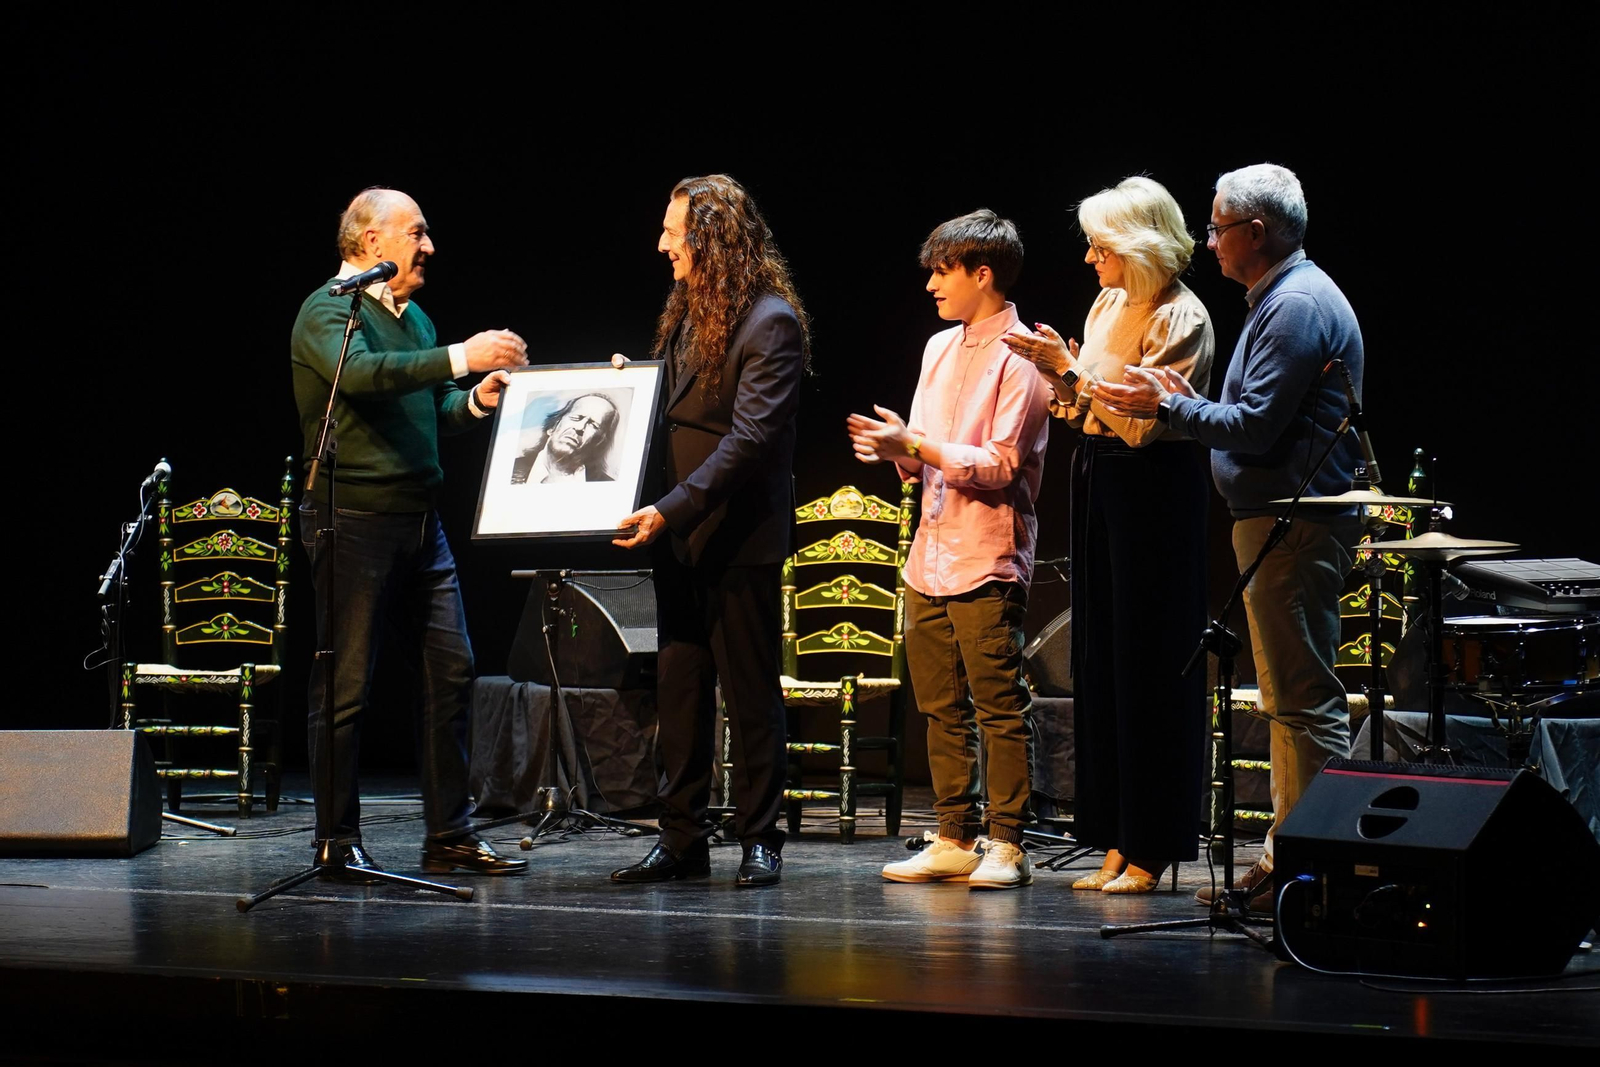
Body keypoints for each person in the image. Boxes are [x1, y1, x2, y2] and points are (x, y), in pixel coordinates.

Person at [1095, 164, 1364, 912]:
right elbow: (1247, 410)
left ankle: (1313, 866)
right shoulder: (1278, 299)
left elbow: (1255, 424)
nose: (1206, 241)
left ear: (1255, 231)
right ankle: (1291, 856)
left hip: (1297, 518)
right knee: (1287, 698)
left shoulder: (1296, 305)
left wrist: (1172, 407)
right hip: (1278, 517)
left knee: (1303, 701)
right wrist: (1185, 400)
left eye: (1216, 227)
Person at [290, 187, 531, 880]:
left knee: (451, 672)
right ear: (371, 243)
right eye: (417, 233)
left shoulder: (414, 317)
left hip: (421, 523)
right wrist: (463, 357)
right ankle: (336, 839)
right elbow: (364, 378)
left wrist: (473, 402)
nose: (429, 247)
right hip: (353, 520)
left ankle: (448, 835)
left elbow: (425, 407)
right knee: (346, 687)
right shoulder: (328, 313)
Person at [1003, 177, 1214, 894]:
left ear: (1136, 247)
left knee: (1148, 659)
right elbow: (1083, 407)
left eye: (1101, 246)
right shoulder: (1108, 302)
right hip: (1097, 474)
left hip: (1153, 485)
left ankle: (1151, 843)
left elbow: (1144, 423)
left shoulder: (1182, 317)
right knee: (1101, 655)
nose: (1090, 259)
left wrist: (1070, 372)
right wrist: (1057, 376)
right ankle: (1115, 837)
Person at [610, 174, 807, 888]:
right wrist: (629, 388)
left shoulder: (770, 322)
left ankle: (761, 838)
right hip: (682, 537)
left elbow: (748, 440)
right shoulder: (693, 315)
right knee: (681, 693)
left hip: (737, 539)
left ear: (710, 237)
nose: (662, 243)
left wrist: (670, 507)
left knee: (751, 697)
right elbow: (680, 413)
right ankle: (682, 838)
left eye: (673, 230)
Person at [851, 209, 1051, 890]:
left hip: (986, 554)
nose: (933, 285)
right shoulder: (938, 348)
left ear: (982, 273)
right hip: (929, 554)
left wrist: (915, 445)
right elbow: (924, 452)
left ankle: (1007, 842)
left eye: (944, 271)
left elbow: (998, 464)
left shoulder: (1023, 355)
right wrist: (896, 450)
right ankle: (954, 834)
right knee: (939, 705)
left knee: (997, 704)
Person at [509, 392, 619, 483]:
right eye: (577, 418)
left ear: (598, 443)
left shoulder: (608, 486)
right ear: (553, 426)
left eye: (593, 425)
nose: (580, 428)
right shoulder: (507, 471)